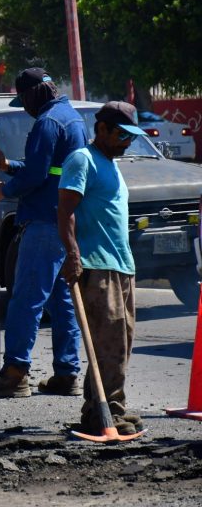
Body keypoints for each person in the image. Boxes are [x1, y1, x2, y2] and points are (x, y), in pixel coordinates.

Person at [0, 68, 86, 398]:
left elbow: (38, 175)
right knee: (61, 300)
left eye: (22, 99)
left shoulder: (48, 122)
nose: (23, 106)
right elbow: (49, 169)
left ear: (34, 92)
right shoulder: (70, 118)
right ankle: (67, 373)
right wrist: (9, 165)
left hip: (45, 222)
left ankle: (15, 373)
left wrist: (5, 190)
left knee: (25, 298)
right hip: (63, 220)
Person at [58, 101, 146, 435]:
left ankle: (107, 410)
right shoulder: (82, 160)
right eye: (121, 135)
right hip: (97, 266)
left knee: (120, 344)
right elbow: (65, 210)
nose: (127, 142)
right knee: (108, 345)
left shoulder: (111, 164)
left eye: (131, 137)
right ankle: (105, 415)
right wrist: (73, 255)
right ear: (101, 129)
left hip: (121, 265)